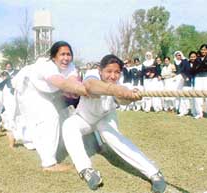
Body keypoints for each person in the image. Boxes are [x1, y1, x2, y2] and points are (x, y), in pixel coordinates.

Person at [62, 54, 166, 192]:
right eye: (109, 71)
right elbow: (90, 86)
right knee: (68, 125)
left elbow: (122, 100)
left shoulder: (120, 84)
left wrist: (131, 98)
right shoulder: (92, 74)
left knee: (113, 137)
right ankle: (86, 170)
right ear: (100, 70)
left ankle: (154, 173)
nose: (113, 76)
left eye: (117, 72)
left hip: (104, 119)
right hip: (84, 119)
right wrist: (117, 90)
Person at [10, 41, 88, 171]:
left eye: (69, 54)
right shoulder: (46, 66)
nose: (66, 58)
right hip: (28, 90)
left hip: (48, 92)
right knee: (50, 117)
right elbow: (62, 83)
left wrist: (75, 90)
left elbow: (72, 81)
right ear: (53, 57)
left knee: (53, 119)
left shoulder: (71, 66)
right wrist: (85, 91)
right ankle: (49, 163)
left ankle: (16, 134)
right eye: (62, 54)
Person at [191, 44, 207, 120]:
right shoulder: (197, 59)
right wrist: (201, 66)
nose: (203, 51)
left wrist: (201, 67)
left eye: (205, 49)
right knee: (197, 96)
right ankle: (199, 113)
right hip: (198, 78)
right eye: (202, 49)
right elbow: (194, 70)